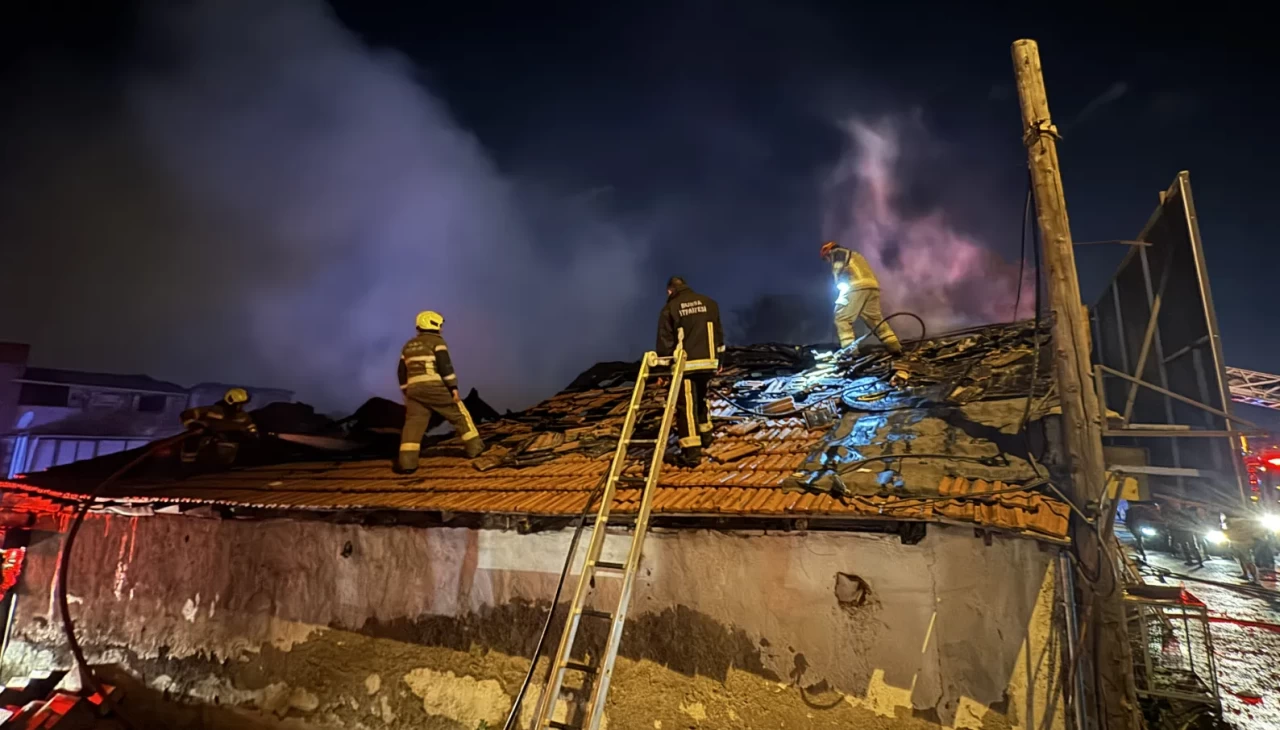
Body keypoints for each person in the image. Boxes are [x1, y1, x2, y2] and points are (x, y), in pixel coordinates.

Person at [397, 310, 485, 472]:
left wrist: (406, 392)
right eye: (441, 325)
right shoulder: (437, 342)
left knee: (413, 425)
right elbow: (445, 367)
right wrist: (453, 388)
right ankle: (476, 448)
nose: (442, 329)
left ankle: (407, 463)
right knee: (459, 414)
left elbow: (401, 372)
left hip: (414, 391)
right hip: (435, 387)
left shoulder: (408, 346)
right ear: (434, 324)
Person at [656, 276, 724, 467]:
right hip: (708, 363)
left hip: (685, 366)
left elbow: (665, 342)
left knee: (686, 407)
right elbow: (719, 334)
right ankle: (706, 437)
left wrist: (662, 371)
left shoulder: (671, 308)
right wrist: (721, 360)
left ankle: (691, 453)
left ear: (670, 291)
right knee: (701, 398)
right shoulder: (709, 303)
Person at [819, 241, 903, 355]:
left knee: (841, 318)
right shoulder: (855, 255)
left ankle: (850, 352)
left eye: (826, 259)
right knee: (875, 320)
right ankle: (894, 347)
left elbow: (838, 268)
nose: (828, 261)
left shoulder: (837, 252)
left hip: (856, 287)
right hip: (872, 287)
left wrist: (838, 283)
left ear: (828, 252)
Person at [180, 387, 259, 468]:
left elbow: (250, 426)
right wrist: (193, 424)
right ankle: (188, 464)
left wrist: (253, 433)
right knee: (193, 438)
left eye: (242, 404)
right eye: (238, 404)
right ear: (230, 401)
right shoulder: (212, 410)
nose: (240, 406)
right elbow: (187, 414)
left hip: (230, 443)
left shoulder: (243, 416)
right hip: (209, 436)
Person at [1225, 513, 1264, 584]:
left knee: (1247, 560)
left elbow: (1229, 532)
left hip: (1242, 543)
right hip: (1238, 542)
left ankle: (1255, 580)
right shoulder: (1241, 522)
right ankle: (1246, 575)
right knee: (1242, 559)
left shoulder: (1234, 522)